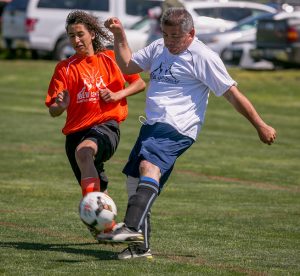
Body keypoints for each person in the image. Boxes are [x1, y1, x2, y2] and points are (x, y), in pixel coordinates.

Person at [98, 8, 277, 260]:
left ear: (191, 33)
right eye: (166, 35)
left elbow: (231, 93)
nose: (170, 41)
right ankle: (140, 248)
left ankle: (129, 227)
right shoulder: (159, 47)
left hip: (178, 127)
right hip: (152, 125)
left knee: (149, 167)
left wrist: (260, 124)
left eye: (175, 36)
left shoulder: (203, 56)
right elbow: (128, 64)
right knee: (135, 182)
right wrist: (119, 35)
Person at [45, 10, 146, 238]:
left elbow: (139, 84)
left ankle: (97, 219)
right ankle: (107, 229)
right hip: (75, 134)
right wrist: (60, 106)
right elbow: (53, 110)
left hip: (106, 126)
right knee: (97, 184)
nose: (76, 40)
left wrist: (118, 94)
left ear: (91, 33)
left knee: (85, 152)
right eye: (71, 36)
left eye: (80, 34)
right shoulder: (64, 68)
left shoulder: (110, 57)